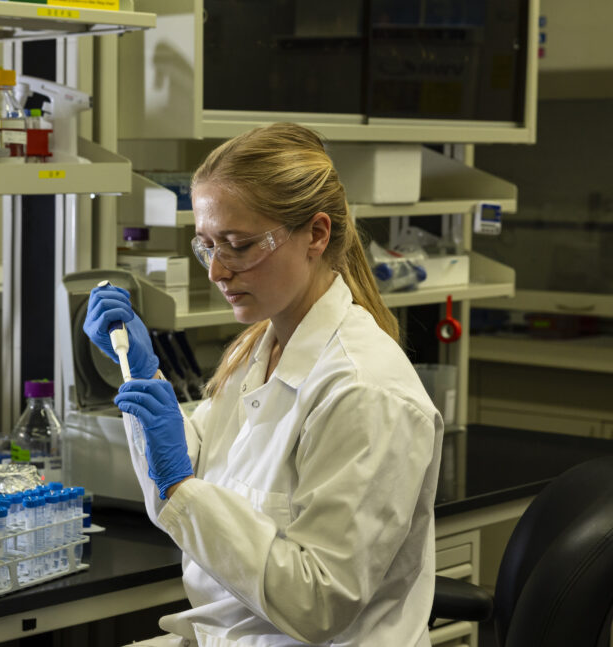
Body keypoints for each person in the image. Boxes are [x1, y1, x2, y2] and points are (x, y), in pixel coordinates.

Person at [83, 122, 443, 646]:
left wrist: (181, 488)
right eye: (206, 246)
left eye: (238, 244)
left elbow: (320, 604)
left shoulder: (364, 393)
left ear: (316, 235)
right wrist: (140, 374)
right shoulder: (262, 346)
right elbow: (199, 470)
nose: (217, 271)